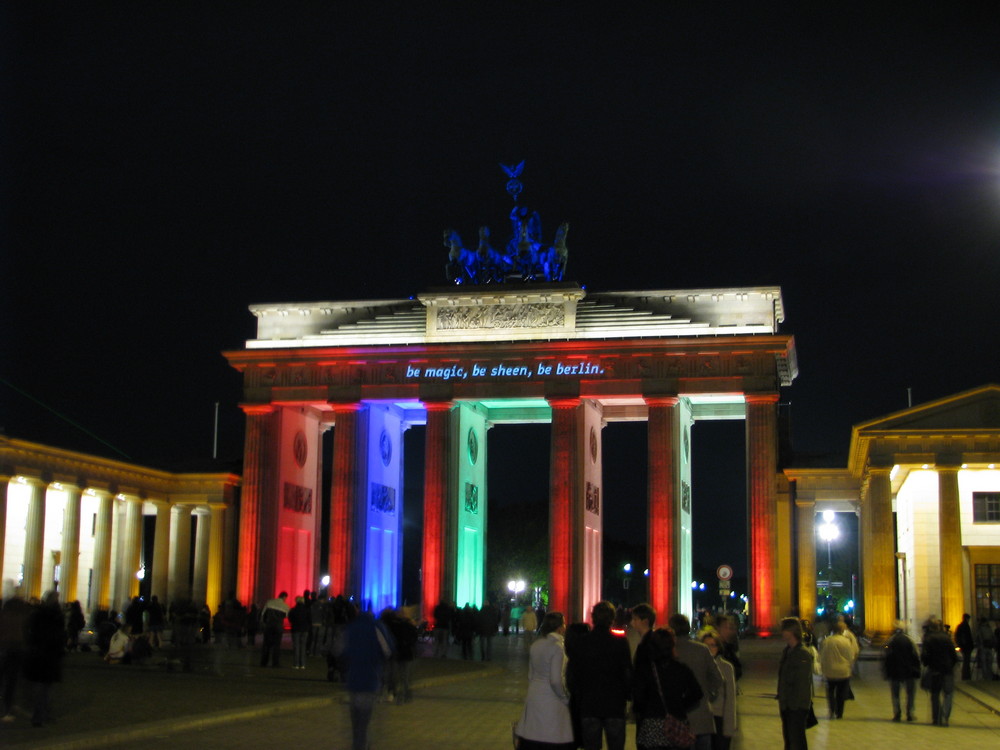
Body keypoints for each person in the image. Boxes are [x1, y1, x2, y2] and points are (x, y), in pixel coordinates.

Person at [566, 601, 632, 750]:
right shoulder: (620, 642)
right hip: (614, 704)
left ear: (593, 618)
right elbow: (627, 672)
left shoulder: (582, 642)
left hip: (589, 704)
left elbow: (573, 673)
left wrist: (578, 696)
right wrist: (628, 696)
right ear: (612, 618)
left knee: (591, 746)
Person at [632, 627, 703, 750]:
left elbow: (638, 698)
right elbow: (697, 693)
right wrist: (681, 705)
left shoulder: (646, 670)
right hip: (677, 723)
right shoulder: (681, 669)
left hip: (652, 724)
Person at [514, 612, 574, 750]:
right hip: (552, 698)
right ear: (559, 627)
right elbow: (555, 679)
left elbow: (530, 675)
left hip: (534, 694)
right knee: (552, 736)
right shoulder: (558, 647)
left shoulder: (536, 645)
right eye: (564, 624)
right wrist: (564, 698)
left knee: (533, 734)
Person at [668, 613, 722, 750]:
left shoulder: (669, 651)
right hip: (702, 716)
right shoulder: (702, 649)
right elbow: (717, 678)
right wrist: (709, 695)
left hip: (677, 721)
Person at [343, 610, 394, 750]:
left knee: (355, 717)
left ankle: (357, 743)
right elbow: (388, 650)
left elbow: (339, 649)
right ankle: (361, 745)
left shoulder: (351, 627)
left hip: (353, 679)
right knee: (365, 716)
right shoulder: (377, 627)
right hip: (370, 678)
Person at [23, 592, 66, 727]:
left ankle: (40, 715)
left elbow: (31, 632)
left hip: (40, 653)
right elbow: (61, 635)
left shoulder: (38, 614)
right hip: (51, 654)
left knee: (41, 687)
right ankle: (42, 714)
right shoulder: (58, 615)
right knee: (45, 687)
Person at [777, 618, 814, 750]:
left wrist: (793, 706)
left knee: (797, 742)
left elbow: (802, 683)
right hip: (787, 705)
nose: (781, 632)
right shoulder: (788, 651)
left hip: (796, 706)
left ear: (791, 631)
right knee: (789, 741)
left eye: (784, 629)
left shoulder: (802, 653)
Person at [700, 628, 737, 750]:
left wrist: (729, 727)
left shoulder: (726, 667)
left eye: (713, 645)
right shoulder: (697, 666)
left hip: (719, 718)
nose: (710, 649)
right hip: (702, 719)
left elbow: (730, 699)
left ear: (718, 647)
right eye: (706, 646)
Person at [921, 616, 958, 726]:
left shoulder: (928, 638)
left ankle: (935, 718)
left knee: (935, 695)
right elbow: (953, 655)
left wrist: (927, 664)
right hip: (947, 670)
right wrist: (951, 665)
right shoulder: (946, 638)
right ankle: (944, 715)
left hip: (934, 670)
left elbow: (925, 656)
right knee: (948, 693)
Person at [882, 620, 920, 722]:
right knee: (910, 693)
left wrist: (886, 669)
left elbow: (886, 655)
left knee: (895, 694)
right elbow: (916, 655)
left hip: (895, 671)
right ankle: (909, 713)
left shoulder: (891, 640)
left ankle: (897, 713)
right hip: (909, 670)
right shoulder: (910, 640)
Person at [819, 621, 854, 719]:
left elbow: (822, 655)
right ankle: (839, 713)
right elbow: (850, 656)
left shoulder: (827, 641)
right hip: (843, 671)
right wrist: (850, 667)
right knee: (841, 693)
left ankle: (831, 710)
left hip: (830, 671)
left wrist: (823, 668)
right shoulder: (846, 641)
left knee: (830, 691)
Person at [259, 592, 290, 667]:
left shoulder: (269, 602)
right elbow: (286, 616)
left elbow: (263, 614)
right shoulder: (286, 606)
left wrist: (262, 622)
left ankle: (264, 662)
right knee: (277, 645)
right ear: (284, 597)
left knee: (266, 644)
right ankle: (275, 663)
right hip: (278, 627)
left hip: (269, 625)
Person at [288, 595, 310, 669]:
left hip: (296, 629)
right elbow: (310, 619)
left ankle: (296, 664)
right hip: (305, 629)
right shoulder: (307, 610)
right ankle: (302, 664)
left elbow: (290, 619)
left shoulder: (293, 610)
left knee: (296, 646)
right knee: (303, 647)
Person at [975, 616, 996, 680]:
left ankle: (985, 676)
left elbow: (978, 638)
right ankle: (989, 675)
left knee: (984, 662)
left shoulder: (980, 629)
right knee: (989, 662)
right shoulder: (989, 628)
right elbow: (993, 637)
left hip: (983, 647)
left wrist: (979, 645)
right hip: (989, 647)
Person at [954, 613, 974, 680]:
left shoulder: (961, 626)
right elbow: (967, 637)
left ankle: (966, 675)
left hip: (964, 646)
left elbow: (957, 636)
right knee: (966, 661)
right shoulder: (965, 626)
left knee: (966, 661)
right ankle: (966, 675)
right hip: (966, 646)